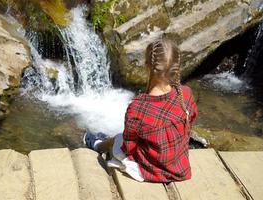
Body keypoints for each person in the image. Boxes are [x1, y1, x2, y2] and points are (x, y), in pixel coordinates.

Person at [84, 38, 198, 183]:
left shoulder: (137, 107)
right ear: (176, 67)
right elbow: (190, 123)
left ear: (147, 67)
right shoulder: (186, 94)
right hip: (179, 166)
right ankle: (100, 141)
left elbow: (129, 147)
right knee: (122, 138)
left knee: (118, 139)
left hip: (153, 170)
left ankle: (97, 144)